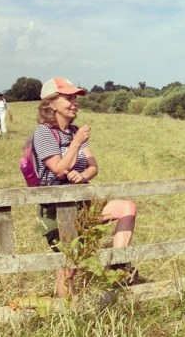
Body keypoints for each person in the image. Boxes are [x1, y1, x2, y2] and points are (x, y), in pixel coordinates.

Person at [34, 77, 137, 297]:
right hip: (56, 209)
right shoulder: (43, 133)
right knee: (69, 264)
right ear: (51, 104)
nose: (74, 103)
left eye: (75, 98)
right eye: (68, 98)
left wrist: (82, 175)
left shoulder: (75, 130)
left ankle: (118, 265)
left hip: (82, 203)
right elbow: (59, 169)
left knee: (126, 207)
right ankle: (68, 313)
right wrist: (76, 143)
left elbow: (93, 167)